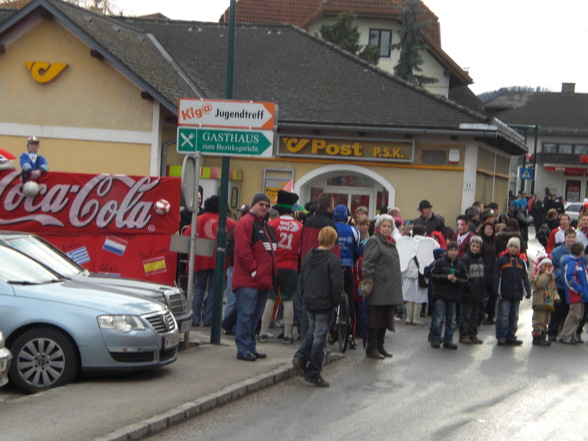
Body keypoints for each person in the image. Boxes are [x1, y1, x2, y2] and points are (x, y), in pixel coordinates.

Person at [292, 226, 343, 388]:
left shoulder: (309, 256)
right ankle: (314, 372)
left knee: (312, 331)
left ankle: (300, 356)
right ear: (333, 241)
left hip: (310, 299)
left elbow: (302, 277)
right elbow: (336, 285)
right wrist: (335, 302)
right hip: (324, 302)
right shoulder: (332, 260)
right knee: (319, 336)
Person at [232, 192, 277, 362]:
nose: (264, 208)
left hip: (261, 281)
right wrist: (253, 270)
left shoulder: (264, 225)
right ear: (253, 205)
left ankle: (250, 346)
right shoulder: (246, 223)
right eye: (261, 204)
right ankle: (243, 348)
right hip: (249, 280)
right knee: (246, 315)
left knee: (254, 316)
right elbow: (242, 251)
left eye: (267, 205)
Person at [183, 196, 235, 327]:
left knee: (199, 288)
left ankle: (194, 318)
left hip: (200, 260)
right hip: (220, 261)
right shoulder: (228, 221)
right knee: (214, 290)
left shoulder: (198, 220)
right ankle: (209, 318)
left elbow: (186, 237)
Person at [259, 191, 302, 344]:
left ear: (277, 210)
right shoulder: (299, 227)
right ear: (292, 210)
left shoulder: (271, 224)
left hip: (274, 265)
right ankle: (288, 334)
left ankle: (263, 332)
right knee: (288, 299)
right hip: (291, 266)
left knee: (270, 298)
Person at [360, 214, 403, 359]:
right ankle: (371, 348)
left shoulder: (390, 242)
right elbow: (368, 263)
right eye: (384, 226)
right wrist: (369, 281)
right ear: (378, 227)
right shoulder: (374, 241)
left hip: (388, 287)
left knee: (385, 318)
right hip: (378, 286)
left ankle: (380, 346)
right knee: (375, 318)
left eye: (389, 226)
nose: (386, 228)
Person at [333, 204, 363, 348]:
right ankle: (350, 334)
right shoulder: (353, 230)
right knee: (349, 300)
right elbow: (358, 249)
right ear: (347, 217)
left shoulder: (330, 227)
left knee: (330, 299)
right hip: (347, 267)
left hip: (332, 268)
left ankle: (331, 328)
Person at [429, 241, 468, 350]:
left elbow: (465, 280)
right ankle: (435, 338)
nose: (453, 253)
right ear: (447, 251)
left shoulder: (460, 266)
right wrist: (445, 277)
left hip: (454, 296)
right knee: (439, 318)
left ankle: (448, 340)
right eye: (451, 250)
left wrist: (457, 280)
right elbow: (433, 276)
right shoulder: (440, 263)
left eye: (455, 250)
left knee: (451, 320)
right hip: (441, 294)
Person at [494, 237, 531, 346]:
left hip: (517, 293)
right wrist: (496, 290)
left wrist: (527, 291)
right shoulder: (501, 260)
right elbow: (496, 277)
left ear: (519, 249)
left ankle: (511, 336)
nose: (513, 248)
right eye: (511, 246)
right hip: (505, 293)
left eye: (515, 247)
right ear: (507, 247)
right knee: (503, 315)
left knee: (514, 316)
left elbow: (525, 278)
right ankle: (501, 336)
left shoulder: (521, 262)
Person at [547, 229, 576, 342]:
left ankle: (565, 332)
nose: (571, 239)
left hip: (573, 287)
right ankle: (552, 332)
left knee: (569, 311)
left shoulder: (578, 251)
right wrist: (559, 275)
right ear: (565, 238)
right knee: (558, 309)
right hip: (560, 285)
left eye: (573, 237)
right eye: (569, 237)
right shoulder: (557, 252)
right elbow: (552, 268)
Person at [559, 243, 588, 345]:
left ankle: (572, 335)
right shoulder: (572, 263)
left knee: (578, 316)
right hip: (575, 294)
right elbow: (569, 278)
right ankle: (565, 335)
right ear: (581, 252)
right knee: (573, 315)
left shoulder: (579, 263)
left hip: (581, 295)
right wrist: (579, 290)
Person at [459, 236, 485, 344]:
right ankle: (464, 335)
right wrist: (469, 287)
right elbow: (463, 276)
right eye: (473, 246)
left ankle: (473, 334)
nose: (475, 248)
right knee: (466, 315)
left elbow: (482, 276)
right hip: (468, 292)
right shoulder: (465, 259)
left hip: (478, 292)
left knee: (475, 315)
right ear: (469, 246)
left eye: (477, 247)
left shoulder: (480, 259)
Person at [401, 225, 428, 325]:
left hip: (408, 273)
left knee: (409, 296)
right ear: (424, 233)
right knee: (419, 297)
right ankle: (416, 319)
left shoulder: (408, 242)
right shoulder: (426, 243)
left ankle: (408, 318)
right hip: (419, 273)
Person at [530, 254, 559, 346]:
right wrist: (546, 274)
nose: (547, 268)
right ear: (540, 267)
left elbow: (553, 288)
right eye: (545, 266)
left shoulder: (550, 278)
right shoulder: (538, 276)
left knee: (546, 320)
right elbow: (540, 284)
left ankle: (543, 336)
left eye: (549, 266)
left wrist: (556, 297)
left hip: (548, 302)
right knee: (539, 320)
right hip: (540, 302)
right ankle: (537, 337)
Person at [478, 221, 498, 324]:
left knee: (494, 294)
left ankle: (490, 316)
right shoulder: (481, 241)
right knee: (481, 294)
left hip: (492, 271)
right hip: (483, 270)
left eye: (491, 229)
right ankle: (480, 315)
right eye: (488, 229)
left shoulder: (494, 241)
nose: (489, 231)